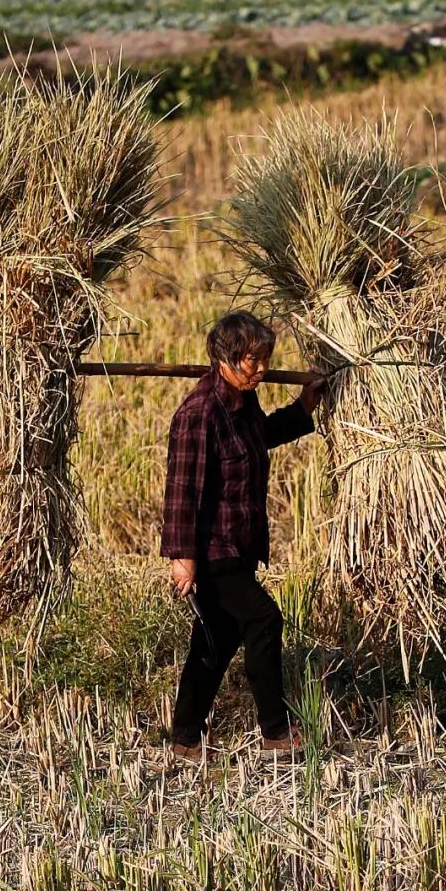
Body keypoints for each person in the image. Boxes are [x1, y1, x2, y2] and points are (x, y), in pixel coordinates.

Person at [161, 311, 325, 762]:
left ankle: (184, 740)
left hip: (241, 540)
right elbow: (182, 488)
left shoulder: (242, 401)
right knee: (264, 620)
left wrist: (302, 409)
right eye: (252, 360)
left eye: (265, 359)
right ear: (226, 358)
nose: (262, 369)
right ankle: (275, 731)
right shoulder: (199, 413)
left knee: (215, 640)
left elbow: (257, 439)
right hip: (212, 549)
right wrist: (182, 556)